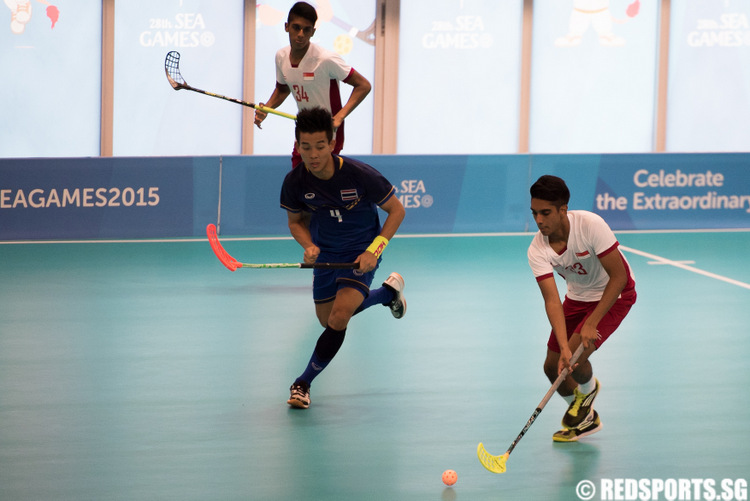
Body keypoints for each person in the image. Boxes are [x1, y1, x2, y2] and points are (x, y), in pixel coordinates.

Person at [279, 107, 405, 409]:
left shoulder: (360, 175)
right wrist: (308, 246)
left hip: (360, 253)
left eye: (320, 146)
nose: (313, 154)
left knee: (338, 317)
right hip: (326, 255)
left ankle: (303, 383)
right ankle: (388, 294)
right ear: (297, 146)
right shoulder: (295, 181)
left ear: (332, 143)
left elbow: (397, 211)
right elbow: (296, 223)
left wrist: (374, 250)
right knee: (328, 319)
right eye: (305, 147)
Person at [527, 175, 636, 442]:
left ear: (563, 209)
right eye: (534, 213)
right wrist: (563, 344)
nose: (539, 220)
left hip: (615, 294)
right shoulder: (537, 249)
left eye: (545, 213)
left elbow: (619, 276)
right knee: (553, 366)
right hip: (577, 297)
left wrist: (592, 322)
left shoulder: (590, 225)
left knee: (573, 362)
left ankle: (584, 394)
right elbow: (552, 300)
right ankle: (586, 417)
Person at [255, 1, 372, 167]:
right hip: (304, 132)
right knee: (299, 184)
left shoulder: (326, 59)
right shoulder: (281, 56)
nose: (301, 34)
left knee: (320, 187)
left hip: (328, 135)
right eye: (296, 27)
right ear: (286, 27)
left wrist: (339, 117)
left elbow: (363, 85)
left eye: (306, 29)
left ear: (313, 31)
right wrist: (266, 109)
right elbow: (282, 90)